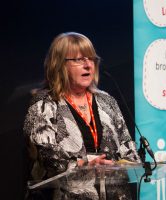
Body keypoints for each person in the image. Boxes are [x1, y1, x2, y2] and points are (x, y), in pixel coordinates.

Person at [23, 32, 140, 200]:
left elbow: (128, 149)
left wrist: (121, 164)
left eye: (91, 58)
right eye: (79, 60)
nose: (88, 65)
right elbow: (46, 155)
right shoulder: (44, 102)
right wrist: (85, 165)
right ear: (59, 65)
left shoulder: (107, 101)